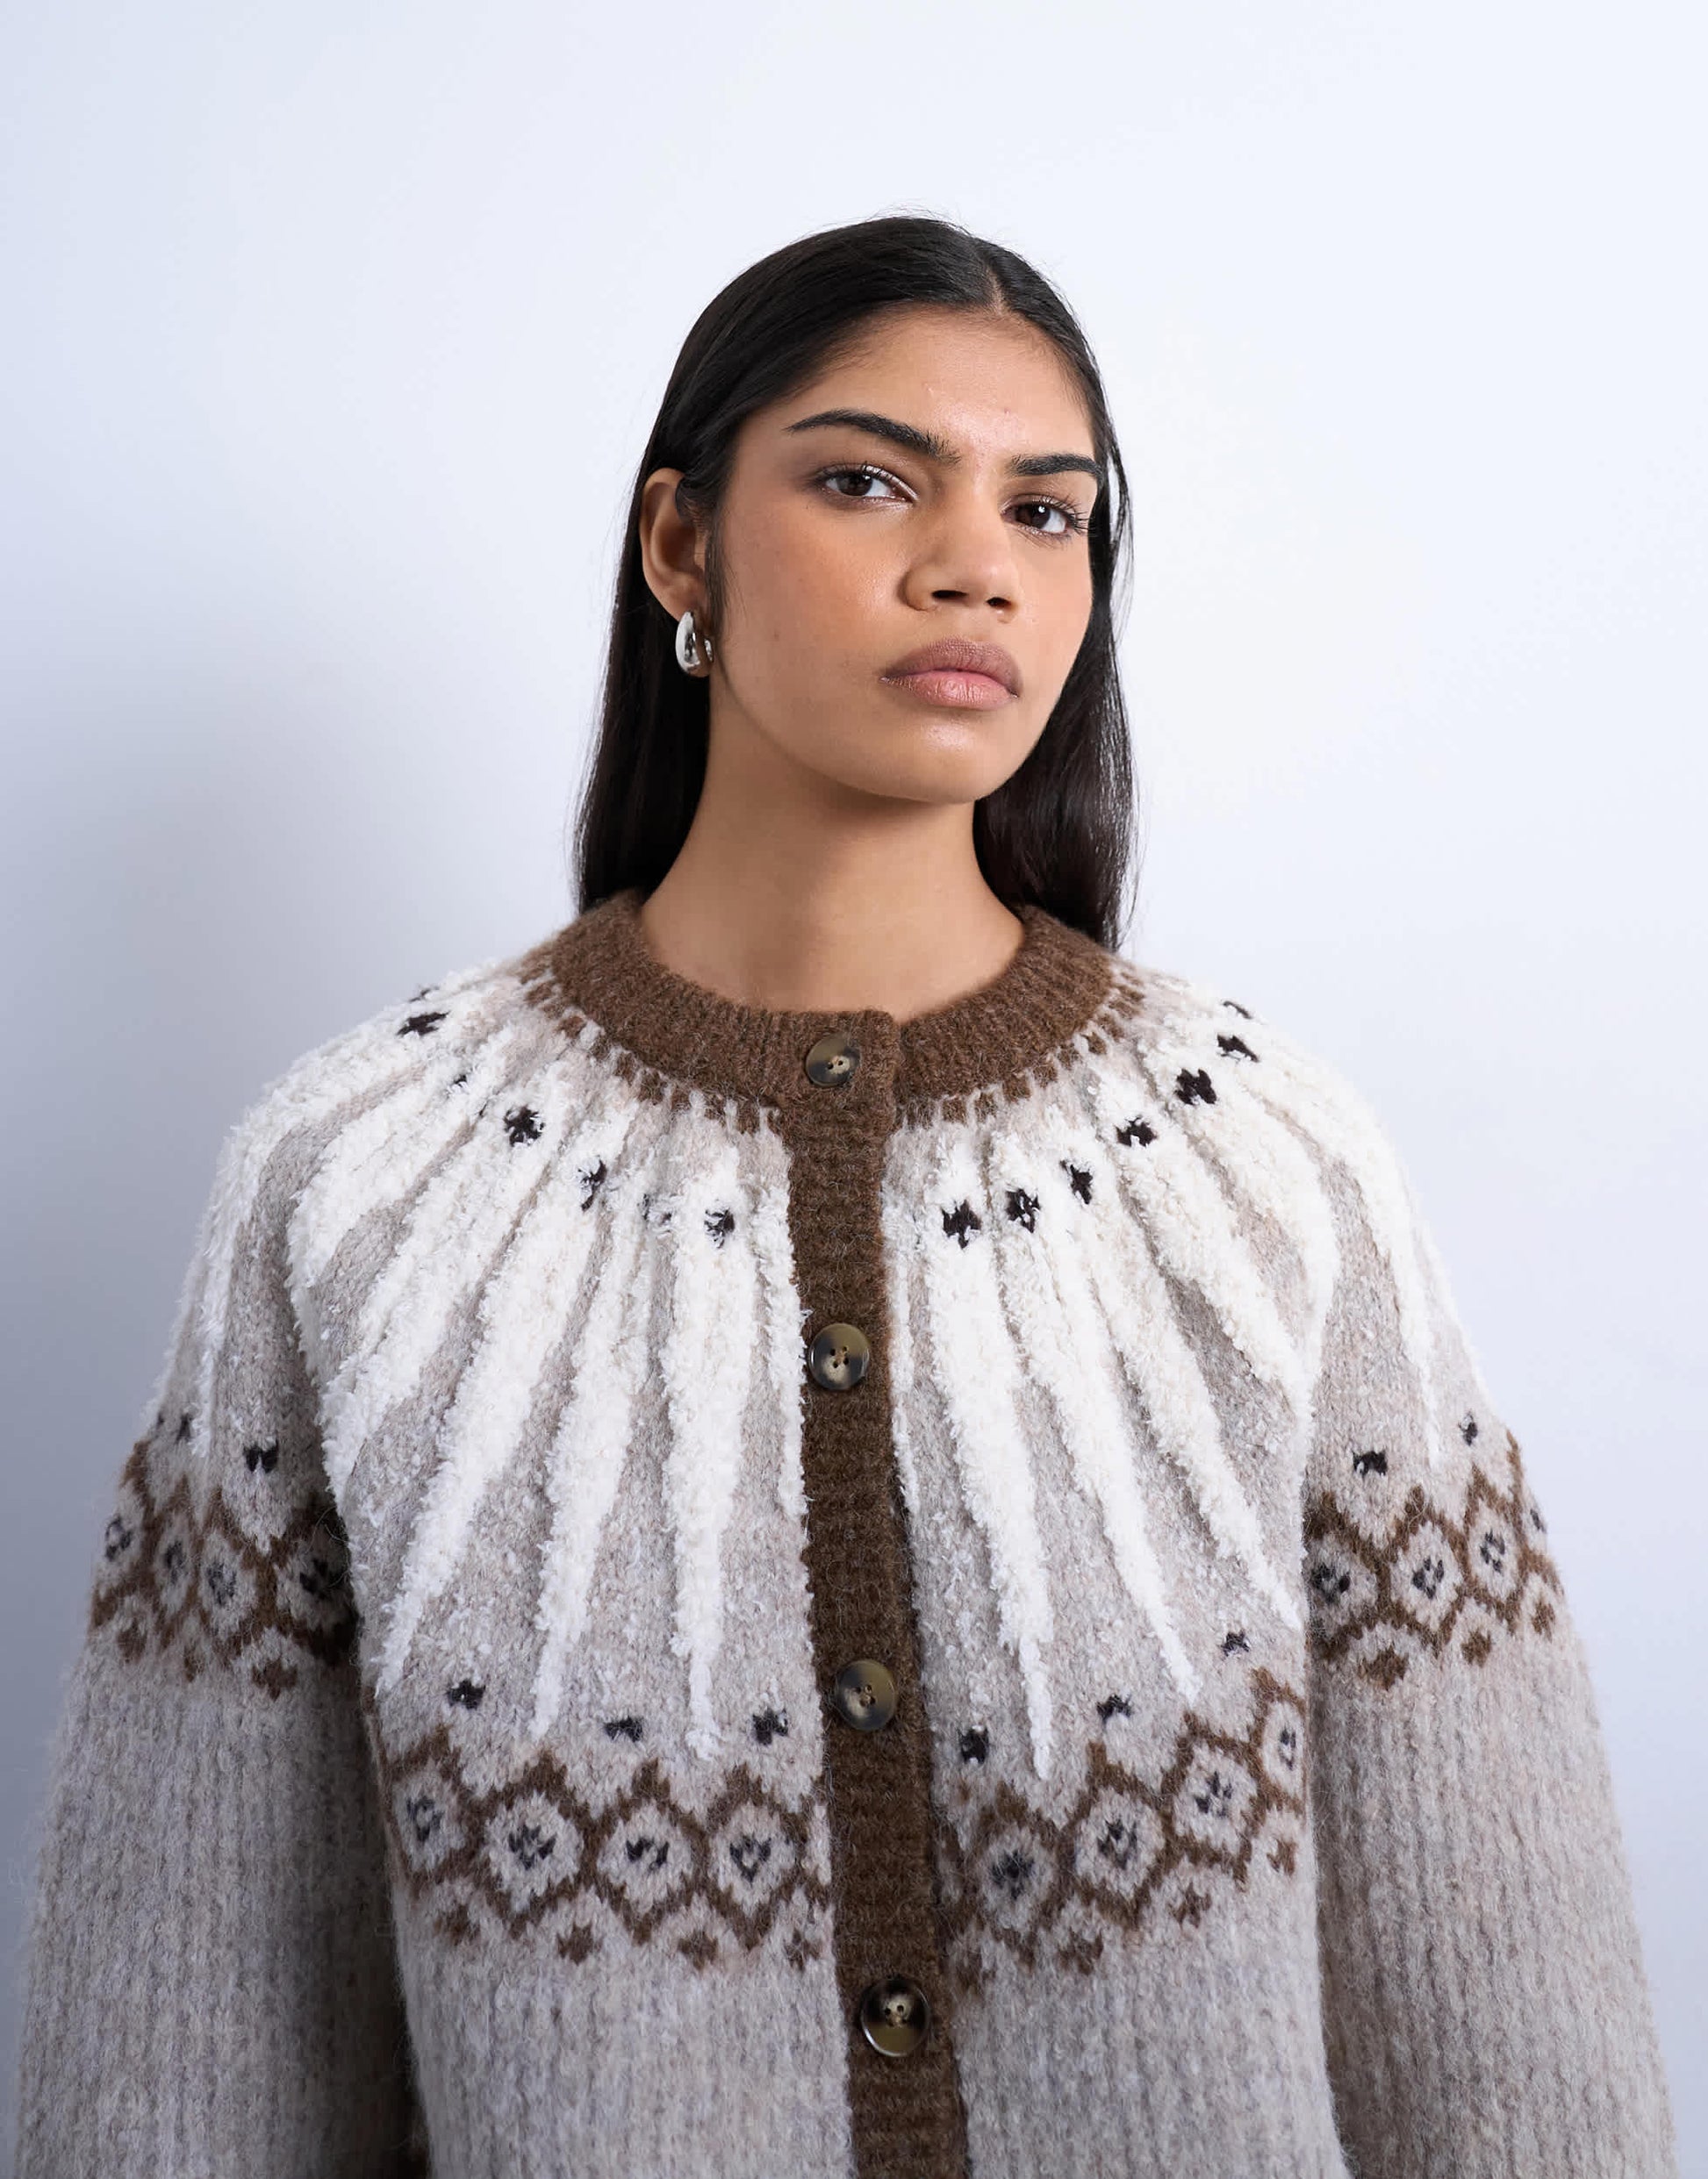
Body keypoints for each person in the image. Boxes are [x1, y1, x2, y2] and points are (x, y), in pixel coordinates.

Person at [14, 214, 1676, 2179]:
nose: (975, 560)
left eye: (1047, 511)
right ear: (680, 545)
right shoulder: (360, 1185)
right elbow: (181, 2039)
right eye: (870, 480)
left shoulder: (1263, 1167)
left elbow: (1508, 2014)